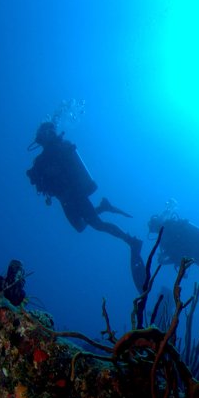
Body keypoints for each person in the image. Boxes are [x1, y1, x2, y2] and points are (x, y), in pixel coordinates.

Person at [26, 121, 145, 290]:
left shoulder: (58, 149)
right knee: (81, 227)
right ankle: (103, 207)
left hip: (76, 195)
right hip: (64, 199)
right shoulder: (41, 159)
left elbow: (60, 168)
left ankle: (131, 241)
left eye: (47, 133)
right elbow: (40, 181)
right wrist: (34, 176)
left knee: (97, 224)